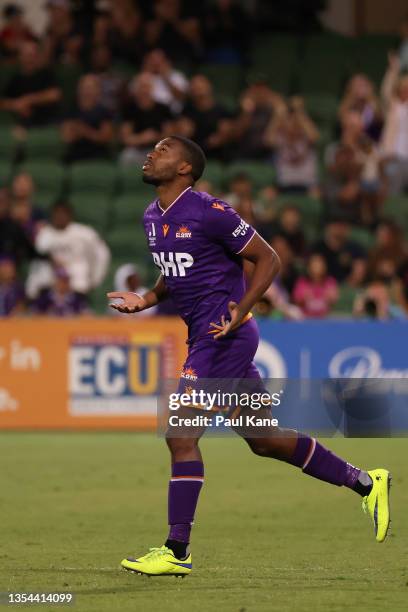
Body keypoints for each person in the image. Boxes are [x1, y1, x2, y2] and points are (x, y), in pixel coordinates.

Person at [107, 135, 391, 577]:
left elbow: (268, 258)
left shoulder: (210, 211)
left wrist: (243, 307)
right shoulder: (151, 217)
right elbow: (174, 270)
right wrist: (146, 299)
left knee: (180, 436)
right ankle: (366, 482)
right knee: (265, 439)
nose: (151, 153)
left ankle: (175, 549)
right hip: (207, 336)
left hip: (222, 336)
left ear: (185, 169)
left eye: (163, 150)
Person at [29, 201, 110, 297]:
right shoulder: (44, 235)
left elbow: (102, 254)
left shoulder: (84, 233)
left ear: (70, 215)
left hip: (77, 287)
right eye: (56, 213)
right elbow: (37, 263)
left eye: (63, 213)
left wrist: (95, 280)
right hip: (49, 290)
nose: (59, 217)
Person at [265, 97, 320, 194]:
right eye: (289, 120)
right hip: (283, 184)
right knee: (267, 193)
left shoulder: (305, 137)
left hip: (307, 185)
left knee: (316, 194)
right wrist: (277, 116)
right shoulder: (281, 138)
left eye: (295, 120)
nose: (292, 124)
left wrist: (299, 112)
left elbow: (314, 137)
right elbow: (268, 140)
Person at [0, 41, 61, 127]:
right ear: (20, 57)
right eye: (27, 55)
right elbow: (3, 102)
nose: (30, 59)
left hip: (47, 121)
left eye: (33, 55)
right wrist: (15, 105)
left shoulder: (46, 74)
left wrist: (28, 100)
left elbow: (55, 95)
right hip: (23, 123)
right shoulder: (16, 79)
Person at [120, 72, 172, 165]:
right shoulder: (129, 109)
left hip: (158, 149)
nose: (144, 90)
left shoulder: (163, 108)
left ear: (152, 88)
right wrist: (142, 138)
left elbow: (169, 136)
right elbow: (126, 138)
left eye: (146, 86)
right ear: (136, 89)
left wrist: (155, 138)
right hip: (136, 150)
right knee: (126, 156)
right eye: (141, 87)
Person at [61, 74, 114, 163]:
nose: (87, 91)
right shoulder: (70, 111)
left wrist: (84, 131)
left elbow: (106, 138)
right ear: (78, 90)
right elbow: (67, 137)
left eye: (90, 88)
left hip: (99, 155)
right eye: (84, 87)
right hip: (75, 154)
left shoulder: (104, 111)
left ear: (98, 90)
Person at [380, 52, 408, 194]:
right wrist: (393, 70)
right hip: (393, 156)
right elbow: (386, 91)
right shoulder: (393, 106)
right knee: (392, 190)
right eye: (404, 88)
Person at [142, 49, 189, 114]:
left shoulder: (177, 76)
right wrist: (146, 75)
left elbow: (182, 97)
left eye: (159, 61)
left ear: (166, 61)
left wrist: (166, 79)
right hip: (150, 112)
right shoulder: (143, 77)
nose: (156, 64)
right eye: (152, 61)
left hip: (173, 113)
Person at [292, 253, 338, 318]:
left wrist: (330, 297)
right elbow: (296, 300)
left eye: (320, 263)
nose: (317, 266)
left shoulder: (330, 282)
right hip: (305, 320)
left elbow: (334, 299)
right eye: (314, 263)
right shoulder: (302, 282)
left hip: (325, 320)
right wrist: (304, 298)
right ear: (308, 267)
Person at [338, 74, 383, 142]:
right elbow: (341, 118)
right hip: (351, 143)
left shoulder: (373, 105)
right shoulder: (349, 104)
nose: (361, 88)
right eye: (358, 86)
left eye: (363, 85)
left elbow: (379, 117)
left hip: (371, 143)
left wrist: (370, 97)